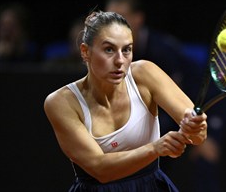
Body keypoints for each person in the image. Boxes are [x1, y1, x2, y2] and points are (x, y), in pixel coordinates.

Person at [43, 11, 207, 191]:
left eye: (127, 49)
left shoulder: (146, 73)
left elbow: (197, 136)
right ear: (85, 52)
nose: (120, 60)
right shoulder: (61, 102)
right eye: (109, 49)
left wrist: (195, 127)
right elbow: (100, 169)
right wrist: (155, 149)